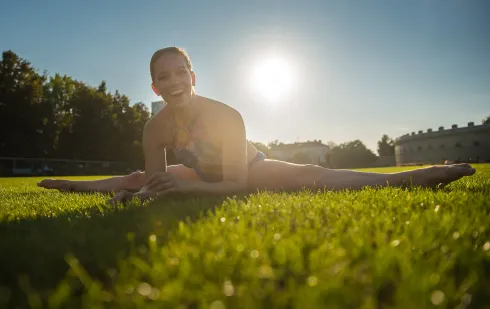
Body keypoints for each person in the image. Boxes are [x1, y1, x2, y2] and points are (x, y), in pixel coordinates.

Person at [38, 47, 476, 204]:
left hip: (246, 167)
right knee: (134, 180)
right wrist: (135, 197)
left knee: (312, 177)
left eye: (180, 73)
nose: (173, 83)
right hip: (201, 169)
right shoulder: (154, 130)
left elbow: (235, 184)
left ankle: (419, 174)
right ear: (154, 87)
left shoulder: (227, 116)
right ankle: (74, 186)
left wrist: (186, 188)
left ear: (193, 77)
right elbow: (153, 182)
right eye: (163, 77)